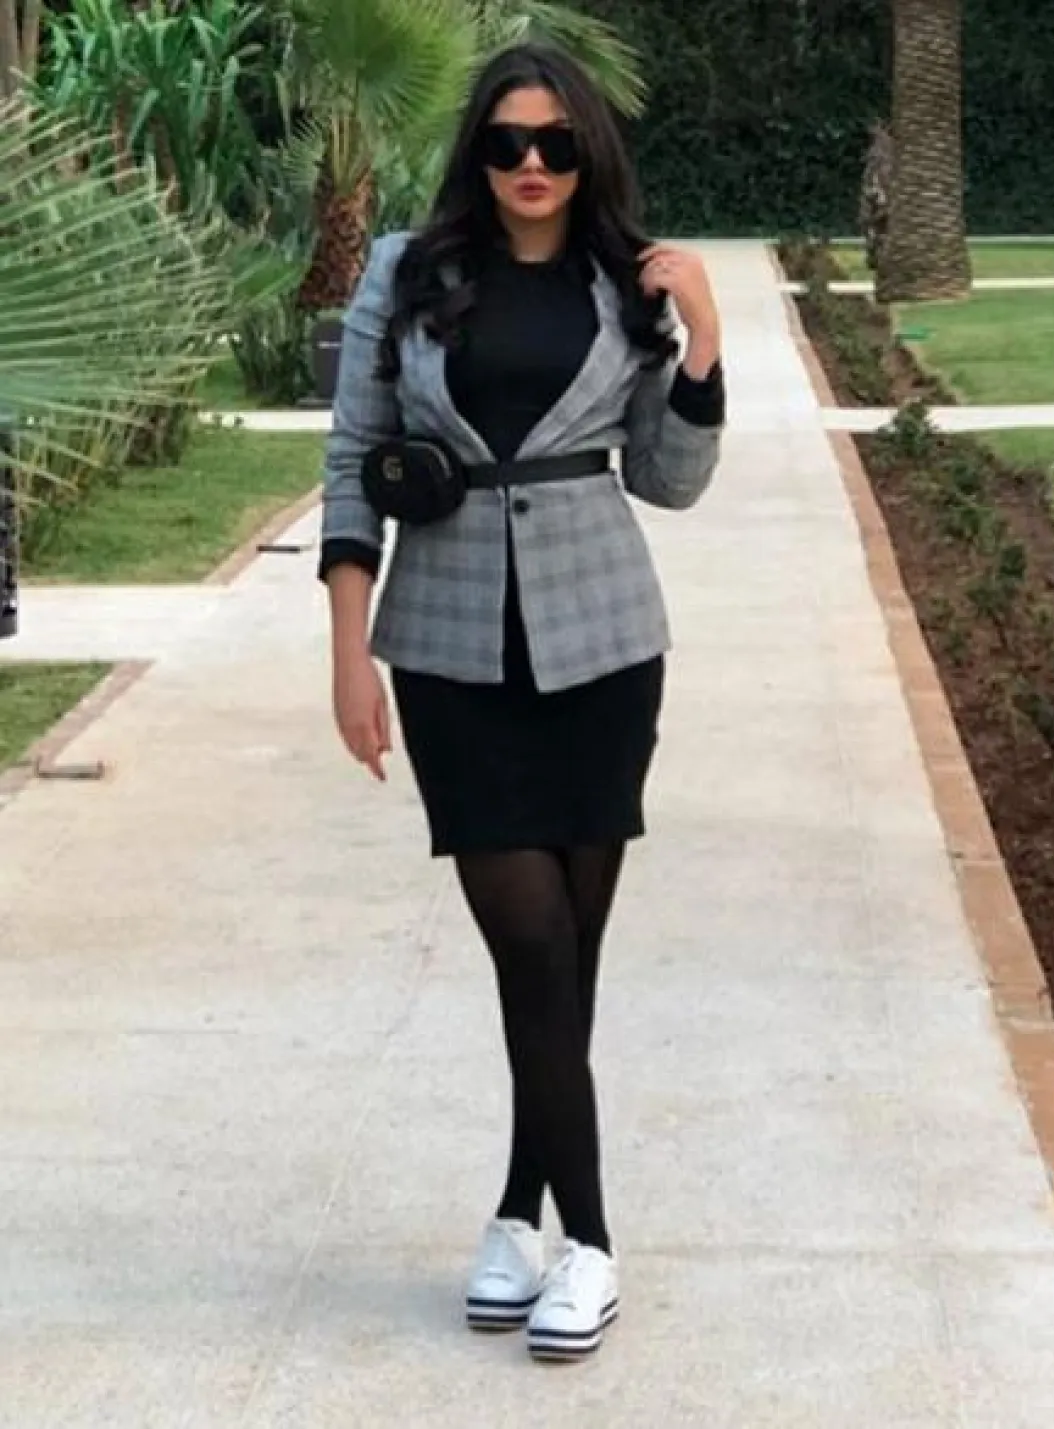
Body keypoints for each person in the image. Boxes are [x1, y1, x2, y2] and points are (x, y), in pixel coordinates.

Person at [318, 42, 725, 1364]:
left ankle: (517, 1217)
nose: (532, 164)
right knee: (533, 947)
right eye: (507, 142)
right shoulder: (406, 272)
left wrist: (705, 342)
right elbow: (352, 461)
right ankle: (590, 1239)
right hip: (447, 648)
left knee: (566, 962)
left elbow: (669, 480)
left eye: (555, 142)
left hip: (603, 644)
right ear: (478, 154)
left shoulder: (626, 284)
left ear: (586, 151)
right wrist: (348, 655)